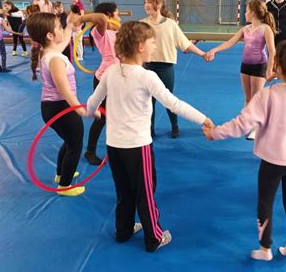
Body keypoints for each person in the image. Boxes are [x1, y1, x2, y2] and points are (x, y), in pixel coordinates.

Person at [86, 21, 212, 252]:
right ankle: (154, 237)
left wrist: (90, 110)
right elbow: (173, 104)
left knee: (124, 191)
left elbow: (92, 103)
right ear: (140, 46)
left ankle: (123, 230)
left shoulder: (112, 71)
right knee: (145, 192)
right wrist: (203, 118)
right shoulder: (147, 76)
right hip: (137, 147)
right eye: (152, 41)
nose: (155, 45)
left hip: (114, 146)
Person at [203, 39, 286, 261]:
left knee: (265, 203)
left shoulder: (269, 94)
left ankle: (265, 249)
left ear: (278, 65)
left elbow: (242, 124)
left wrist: (215, 133)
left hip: (272, 161)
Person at [26, 11, 90, 196]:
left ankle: (61, 174)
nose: (62, 30)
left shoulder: (48, 51)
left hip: (52, 107)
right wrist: (79, 108)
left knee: (70, 141)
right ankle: (65, 185)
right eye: (59, 27)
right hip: (61, 107)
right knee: (75, 144)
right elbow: (64, 89)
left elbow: (62, 43)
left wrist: (69, 25)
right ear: (49, 35)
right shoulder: (54, 60)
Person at [141, 0, 210, 138]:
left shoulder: (171, 25)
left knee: (169, 100)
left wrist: (202, 54)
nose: (146, 5)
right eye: (145, 2)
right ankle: (149, 129)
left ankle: (175, 126)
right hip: (147, 67)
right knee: (148, 102)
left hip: (165, 67)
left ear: (158, 4)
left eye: (149, 2)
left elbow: (185, 44)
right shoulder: (142, 24)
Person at [205, 0, 276, 140]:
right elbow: (231, 42)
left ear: (253, 13)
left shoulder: (265, 29)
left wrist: (269, 70)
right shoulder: (245, 29)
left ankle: (257, 127)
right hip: (245, 65)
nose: (245, 12)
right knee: (248, 98)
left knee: (257, 99)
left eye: (247, 10)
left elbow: (272, 51)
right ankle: (248, 123)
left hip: (259, 66)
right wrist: (215, 50)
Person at [74, 2, 121, 165]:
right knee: (102, 118)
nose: (119, 18)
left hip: (118, 79)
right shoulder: (99, 31)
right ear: (109, 16)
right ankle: (90, 151)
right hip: (104, 79)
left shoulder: (116, 31)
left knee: (116, 115)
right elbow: (100, 18)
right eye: (117, 14)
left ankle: (119, 146)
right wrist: (80, 19)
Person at [25, 4, 42, 80]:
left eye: (30, 12)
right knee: (36, 51)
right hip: (35, 38)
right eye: (29, 13)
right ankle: (38, 65)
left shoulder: (39, 18)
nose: (30, 14)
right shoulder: (30, 19)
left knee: (42, 51)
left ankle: (41, 65)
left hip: (40, 37)